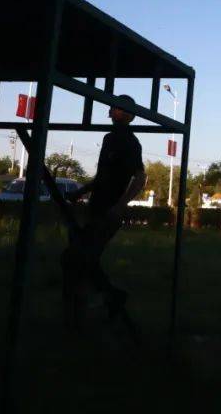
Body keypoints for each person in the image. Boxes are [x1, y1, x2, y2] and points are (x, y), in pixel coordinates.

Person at [62, 94, 146, 330]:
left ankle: (88, 308)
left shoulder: (129, 143)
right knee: (83, 259)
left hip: (107, 213)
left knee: (77, 258)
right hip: (98, 208)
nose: (111, 113)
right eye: (112, 109)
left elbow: (140, 177)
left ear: (127, 115)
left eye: (116, 109)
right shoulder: (110, 139)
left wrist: (119, 207)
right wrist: (81, 192)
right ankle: (106, 298)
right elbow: (102, 178)